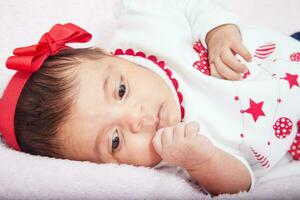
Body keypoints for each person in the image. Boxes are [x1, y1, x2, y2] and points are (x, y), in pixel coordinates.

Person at [1, 0, 300, 196]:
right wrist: (204, 161)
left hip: (286, 53)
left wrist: (217, 29)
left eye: (121, 90)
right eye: (115, 141)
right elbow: (243, 183)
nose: (136, 119)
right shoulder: (176, 154)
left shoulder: (146, 31)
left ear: (110, 54)